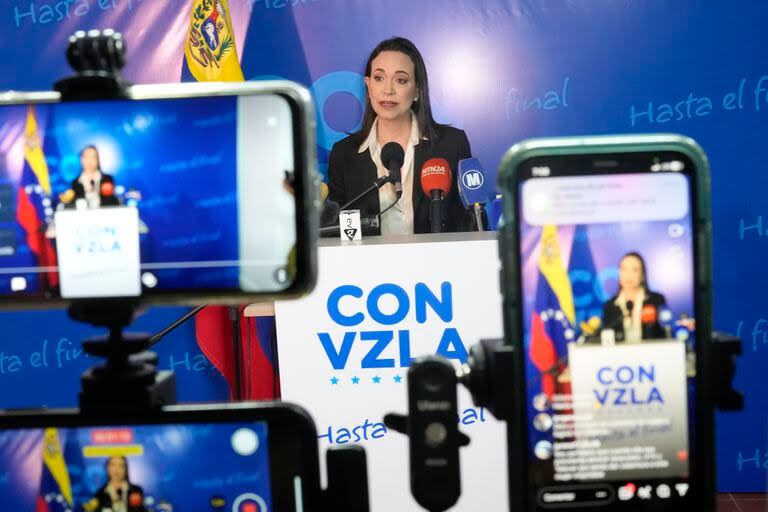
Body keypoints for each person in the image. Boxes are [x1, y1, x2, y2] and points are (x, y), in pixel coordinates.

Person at [327, 37, 473, 236]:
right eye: (379, 78)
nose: (388, 90)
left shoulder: (451, 145)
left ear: (417, 91)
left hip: (437, 266)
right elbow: (337, 232)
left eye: (401, 80)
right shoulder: (344, 154)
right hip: (366, 267)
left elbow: (470, 224)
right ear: (368, 86)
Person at [602, 252, 667, 343]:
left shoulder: (656, 300)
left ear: (643, 275)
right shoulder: (609, 305)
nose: (629, 275)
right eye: (624, 270)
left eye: (635, 270)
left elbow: (664, 333)